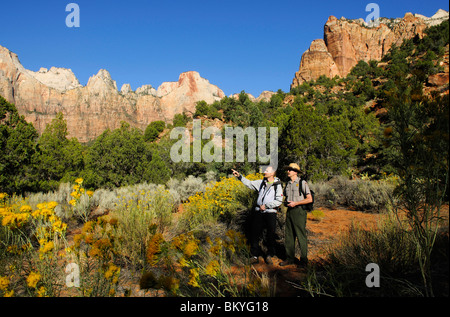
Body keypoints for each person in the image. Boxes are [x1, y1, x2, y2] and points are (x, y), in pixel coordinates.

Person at [231, 166, 283, 265]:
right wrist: (240, 176)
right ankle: (254, 255)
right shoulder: (261, 182)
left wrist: (267, 206)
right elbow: (249, 184)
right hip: (258, 211)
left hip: (270, 213)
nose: (265, 172)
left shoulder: (277, 185)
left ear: (272, 173)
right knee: (255, 233)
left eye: (267, 171)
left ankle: (269, 255)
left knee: (270, 234)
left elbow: (279, 200)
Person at [280, 163, 312, 267]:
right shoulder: (288, 184)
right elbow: (284, 196)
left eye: (290, 169)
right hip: (289, 211)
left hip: (299, 212)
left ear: (296, 172)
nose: (288, 171)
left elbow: (309, 199)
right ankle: (289, 258)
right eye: (288, 169)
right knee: (289, 235)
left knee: (300, 235)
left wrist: (296, 203)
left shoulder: (302, 183)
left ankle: (304, 260)